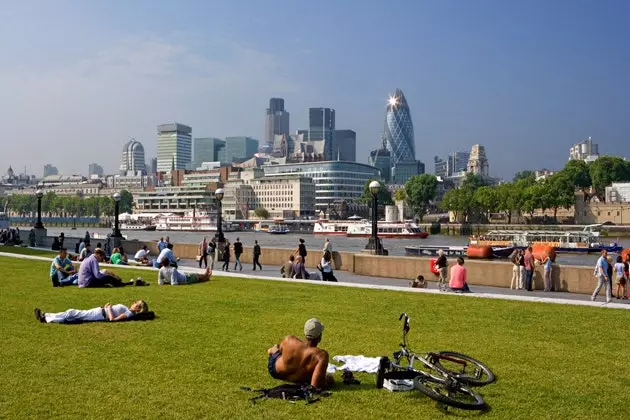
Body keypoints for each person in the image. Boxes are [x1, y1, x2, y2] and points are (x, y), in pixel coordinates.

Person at [266, 318, 333, 390]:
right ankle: (274, 350)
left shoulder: (289, 339)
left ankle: (273, 349)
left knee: (278, 349)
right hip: (299, 379)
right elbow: (315, 386)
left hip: (276, 372)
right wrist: (329, 382)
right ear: (319, 337)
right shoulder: (321, 356)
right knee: (279, 351)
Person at [34, 300, 149, 324]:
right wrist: (107, 307)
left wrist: (108, 308)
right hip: (99, 311)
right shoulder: (128, 310)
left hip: (99, 314)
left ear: (138, 308)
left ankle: (45, 316)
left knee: (72, 312)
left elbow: (112, 320)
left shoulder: (128, 313)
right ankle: (45, 317)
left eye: (136, 303)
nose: (133, 302)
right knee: (72, 316)